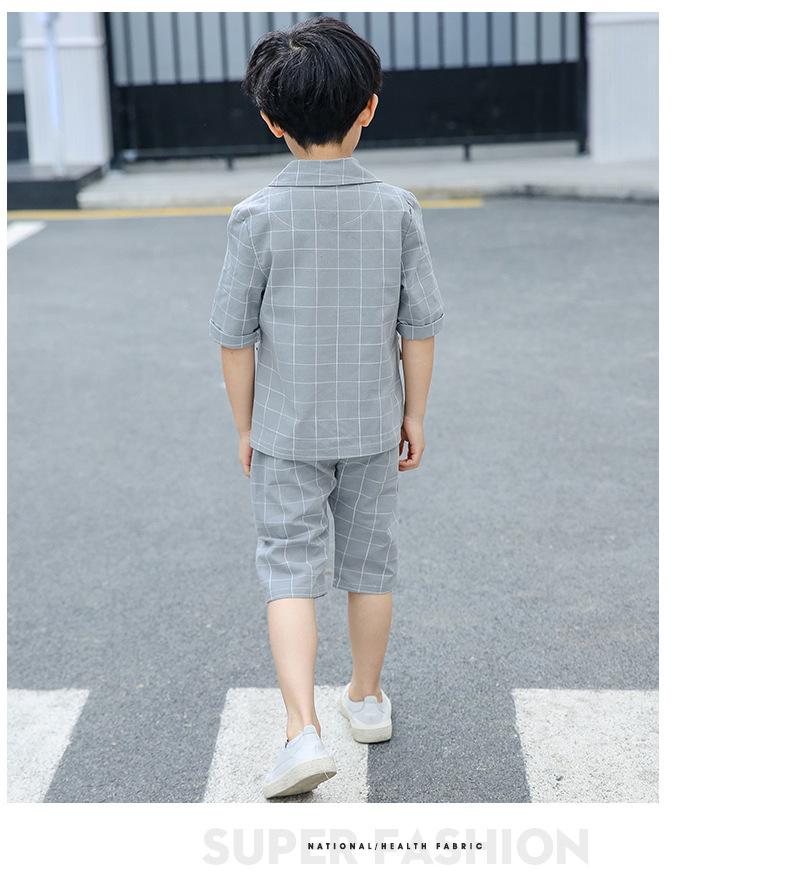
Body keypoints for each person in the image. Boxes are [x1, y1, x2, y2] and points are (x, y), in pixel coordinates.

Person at [209, 16, 444, 799]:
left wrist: (245, 426)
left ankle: (300, 729)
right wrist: (414, 414)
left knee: (288, 570)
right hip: (374, 427)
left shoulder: (255, 217)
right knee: (370, 565)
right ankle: (366, 700)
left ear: (271, 121)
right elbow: (419, 326)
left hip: (284, 432)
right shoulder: (397, 210)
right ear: (369, 108)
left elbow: (234, 338)